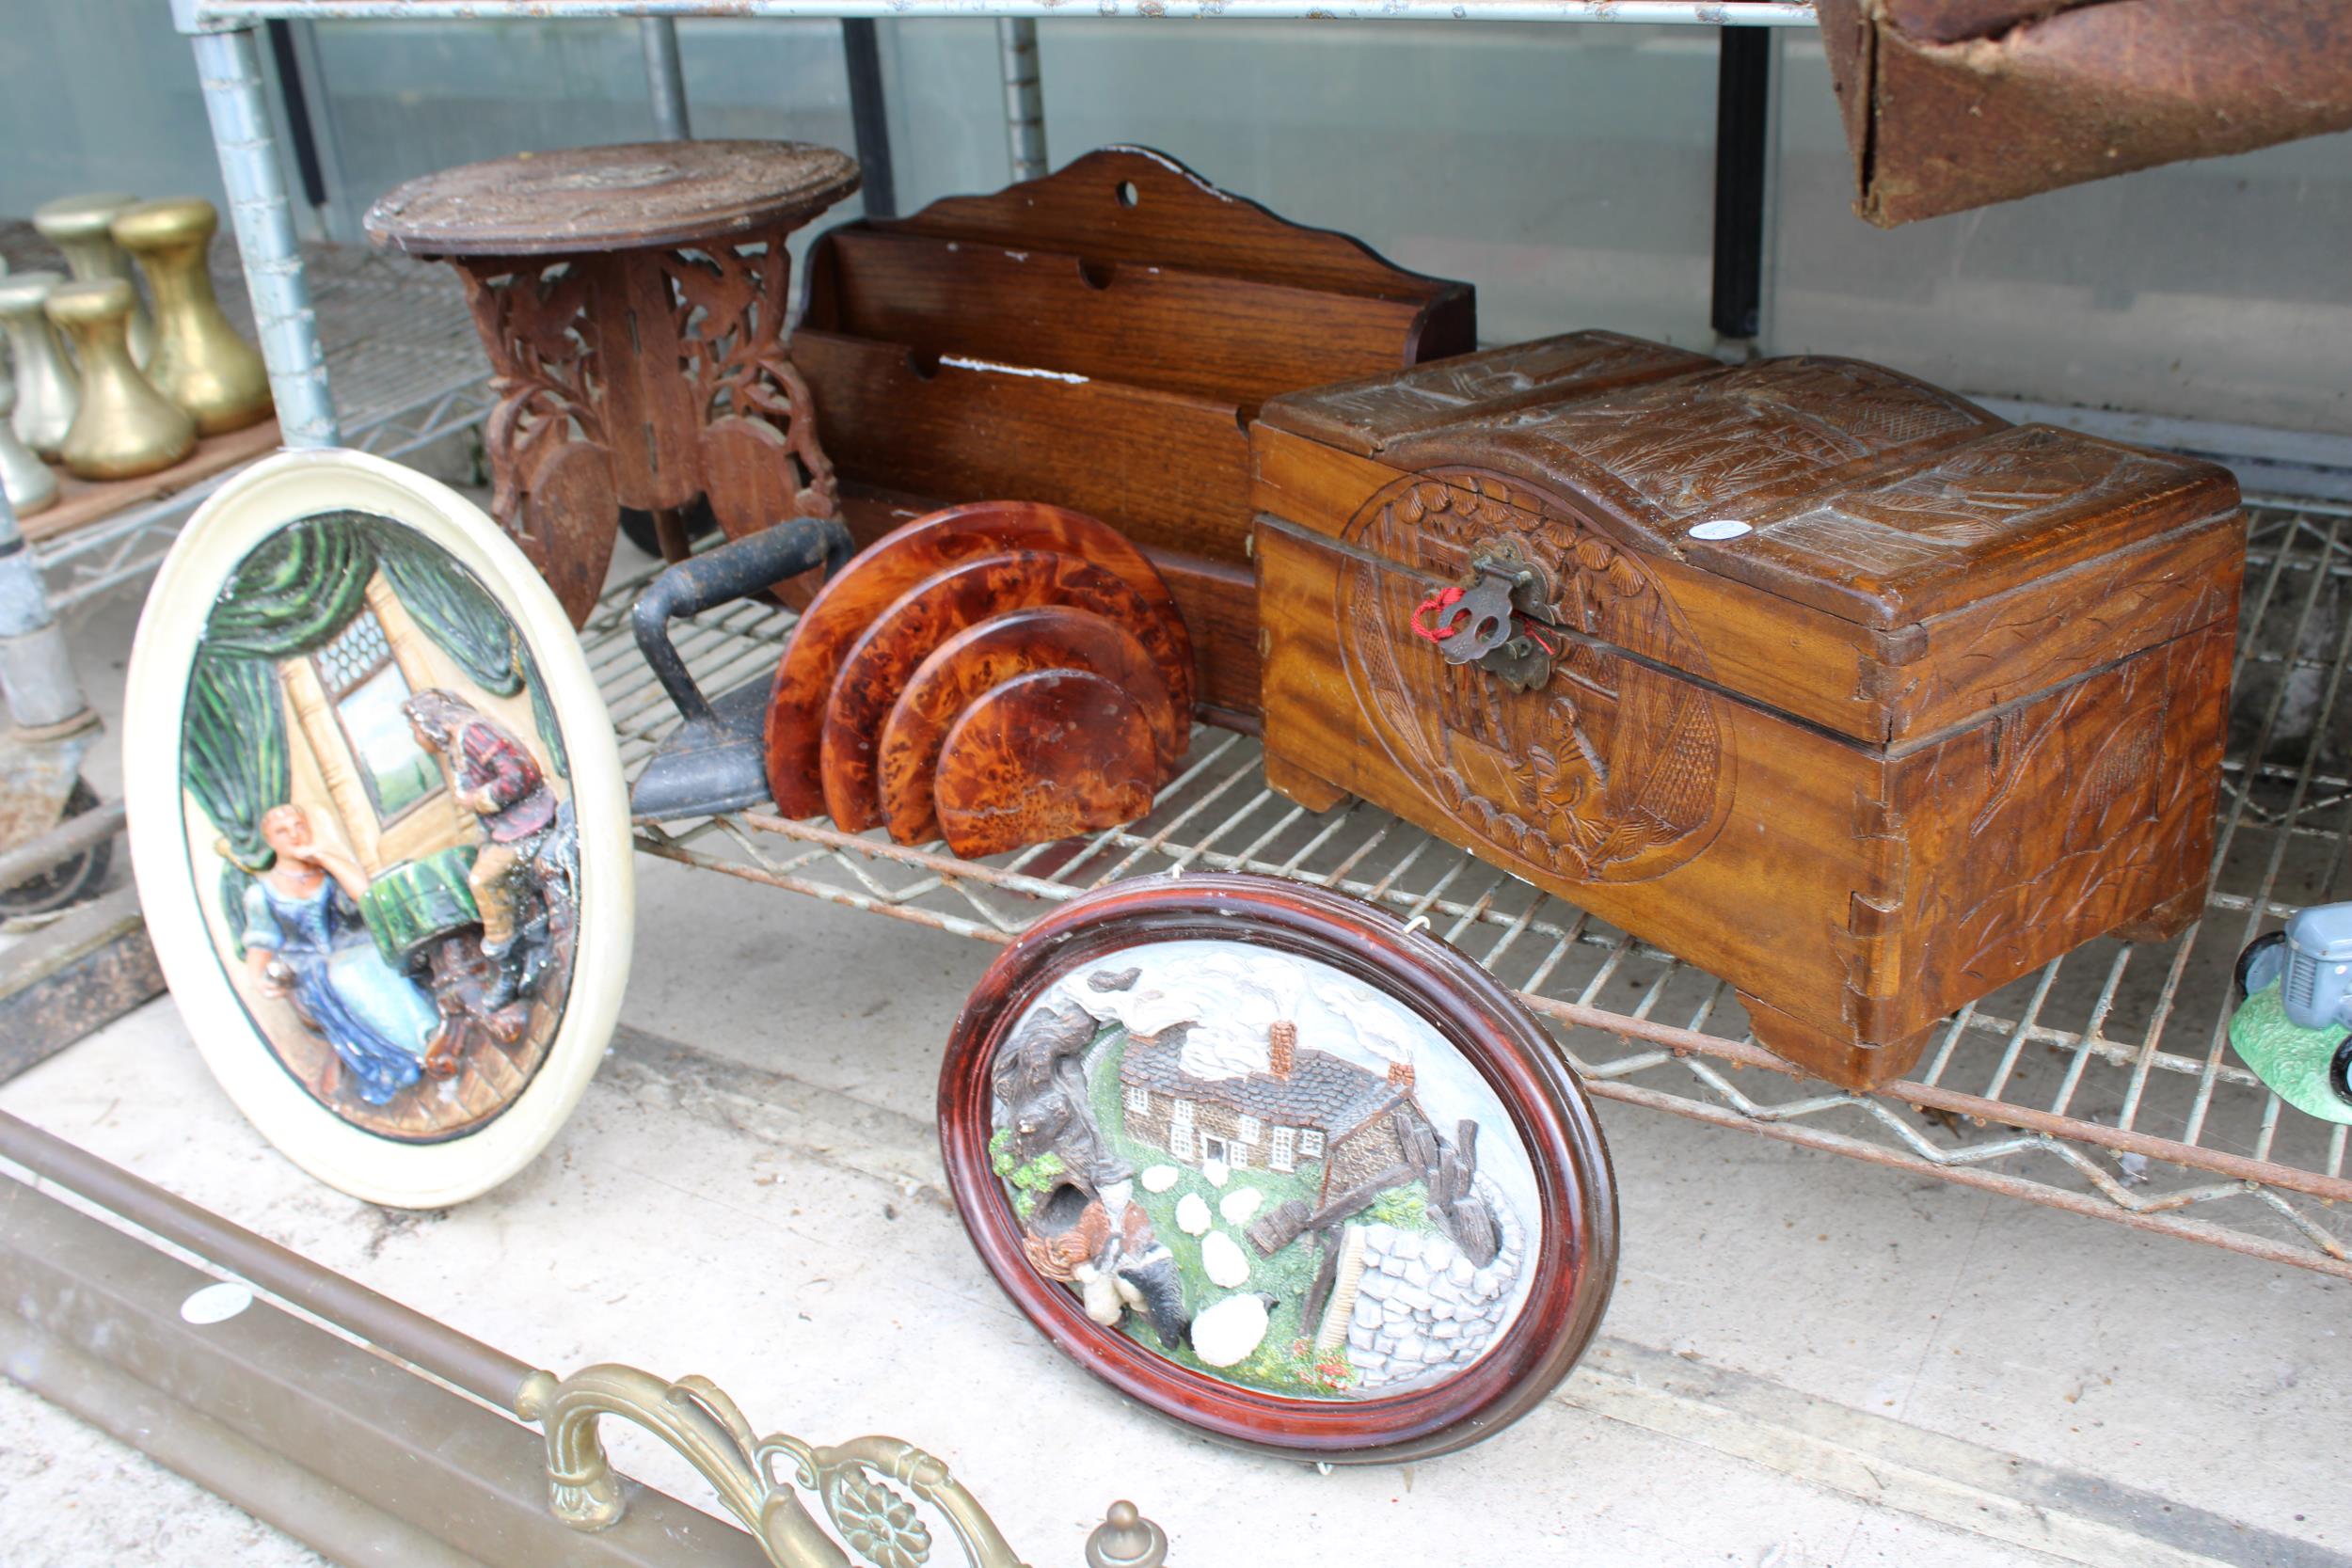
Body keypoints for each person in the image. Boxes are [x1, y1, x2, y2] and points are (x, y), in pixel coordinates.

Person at [239, 803, 441, 1107]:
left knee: (378, 956)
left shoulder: (326, 872)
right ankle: (408, 1048)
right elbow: (260, 942)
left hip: (350, 945)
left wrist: (323, 857)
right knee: (348, 972)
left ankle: (428, 1031)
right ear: (270, 841)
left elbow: (365, 897)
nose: (294, 835)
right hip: (310, 966)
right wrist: (258, 978)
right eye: (283, 831)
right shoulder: (262, 892)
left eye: (299, 826)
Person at [403, 689, 556, 1006]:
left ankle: (512, 962)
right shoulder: (458, 745)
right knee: (474, 867)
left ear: (428, 723)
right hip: (505, 829)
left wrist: (479, 799)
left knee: (483, 880)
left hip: (526, 822)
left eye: (416, 731)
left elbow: (520, 774)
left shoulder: (473, 733)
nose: (417, 739)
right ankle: (525, 946)